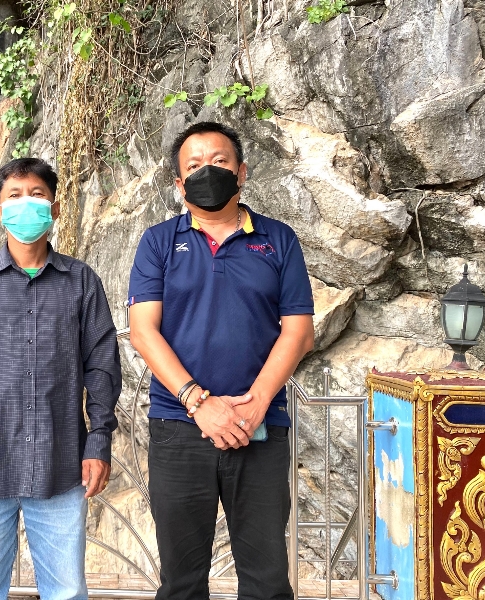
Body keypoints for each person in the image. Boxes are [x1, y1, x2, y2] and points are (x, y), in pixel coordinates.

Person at [127, 121, 315, 600]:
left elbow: (299, 331)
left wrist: (257, 402)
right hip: (179, 426)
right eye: (194, 166)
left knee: (267, 582)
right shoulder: (158, 242)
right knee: (182, 583)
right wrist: (198, 402)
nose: (206, 172)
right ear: (179, 183)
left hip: (260, 427)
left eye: (219, 161)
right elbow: (143, 331)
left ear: (242, 172)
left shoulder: (279, 240)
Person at [0, 157, 122, 600]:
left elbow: (102, 366)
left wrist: (98, 441)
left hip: (60, 466)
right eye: (14, 196)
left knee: (67, 592)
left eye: (37, 194)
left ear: (55, 208)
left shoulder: (81, 282)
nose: (26, 203)